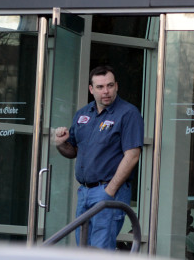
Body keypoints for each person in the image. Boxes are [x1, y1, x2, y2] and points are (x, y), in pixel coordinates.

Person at [54, 65, 144, 249]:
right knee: (84, 249)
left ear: (117, 86)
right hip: (84, 192)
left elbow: (133, 155)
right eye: (100, 87)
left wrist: (109, 191)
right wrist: (61, 143)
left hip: (110, 190)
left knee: (101, 249)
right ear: (91, 89)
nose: (106, 91)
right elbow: (73, 152)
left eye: (110, 86)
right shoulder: (83, 114)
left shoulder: (128, 113)